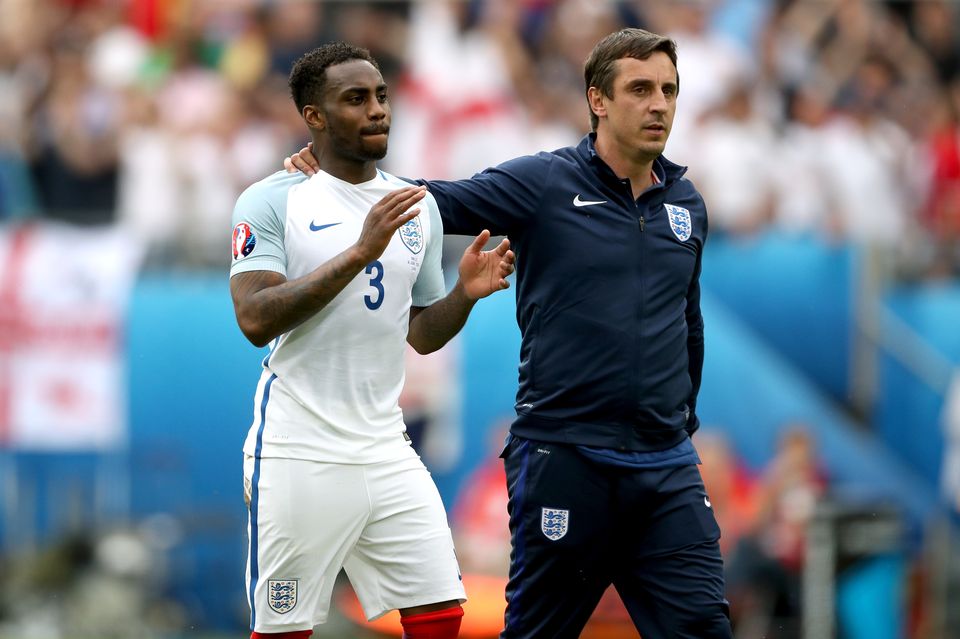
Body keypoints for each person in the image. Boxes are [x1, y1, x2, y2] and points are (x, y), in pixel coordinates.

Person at [286, 28, 732, 639]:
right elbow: (431, 200)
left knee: (705, 627)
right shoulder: (546, 184)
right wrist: (338, 179)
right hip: (568, 457)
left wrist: (682, 424)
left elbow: (688, 323)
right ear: (598, 100)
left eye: (669, 91)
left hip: (665, 464)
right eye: (640, 89)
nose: (659, 104)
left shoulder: (686, 205)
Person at [231, 42, 515, 639]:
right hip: (298, 443)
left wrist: (464, 293)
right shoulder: (272, 199)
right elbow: (255, 318)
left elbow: (420, 335)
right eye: (355, 99)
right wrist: (359, 252)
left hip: (385, 442)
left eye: (382, 96)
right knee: (285, 628)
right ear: (314, 116)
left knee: (441, 609)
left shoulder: (417, 208)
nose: (378, 109)